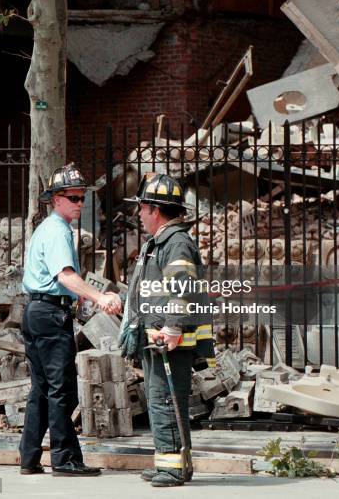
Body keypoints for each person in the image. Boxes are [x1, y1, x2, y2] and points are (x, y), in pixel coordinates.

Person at [19, 163, 121, 477]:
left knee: (41, 389)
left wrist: (77, 301)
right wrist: (100, 297)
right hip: (49, 314)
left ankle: (29, 457)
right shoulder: (58, 230)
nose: (80, 204)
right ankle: (65, 459)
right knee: (62, 389)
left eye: (82, 198)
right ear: (56, 199)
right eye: (74, 198)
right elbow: (65, 276)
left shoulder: (48, 229)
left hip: (38, 312)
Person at [120, 173, 215, 487]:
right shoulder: (161, 243)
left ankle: (173, 468)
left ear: (155, 210)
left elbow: (182, 287)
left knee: (165, 400)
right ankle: (172, 463)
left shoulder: (175, 243)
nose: (140, 215)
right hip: (156, 337)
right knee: (160, 399)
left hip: (168, 340)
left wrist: (173, 327)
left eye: (142, 209)